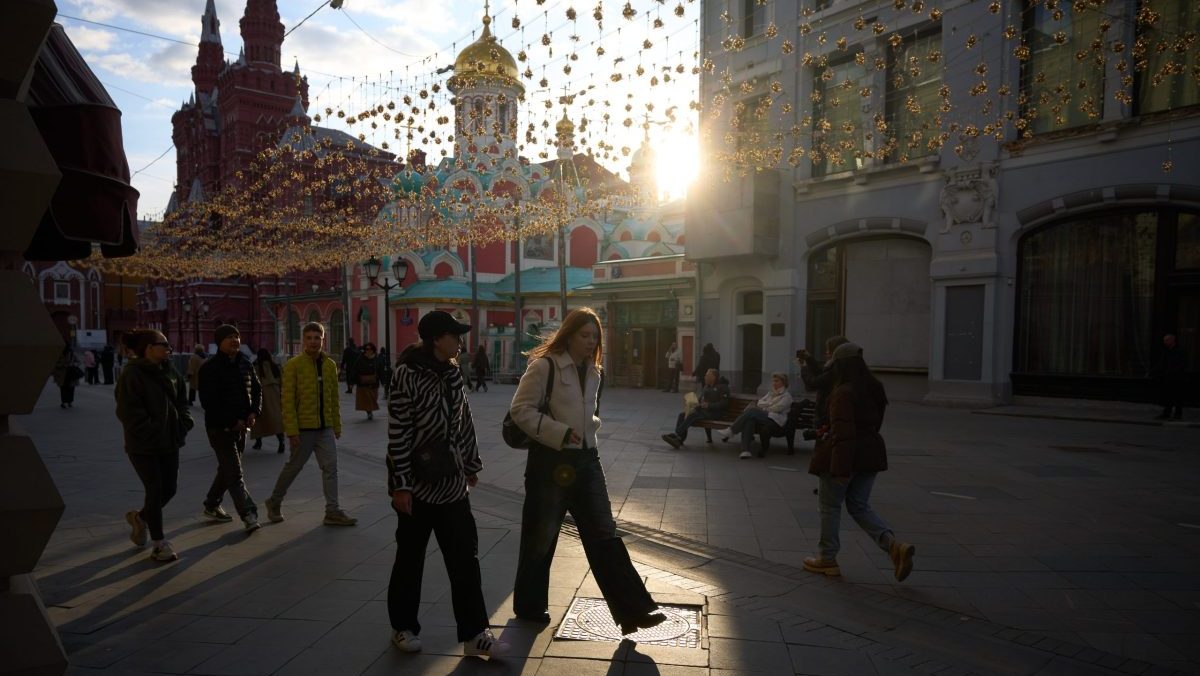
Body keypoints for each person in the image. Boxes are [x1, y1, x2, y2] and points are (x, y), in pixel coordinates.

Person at [509, 307, 666, 636]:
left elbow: (591, 411)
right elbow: (520, 410)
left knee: (604, 535)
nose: (590, 341)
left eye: (595, 336)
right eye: (584, 335)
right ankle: (529, 605)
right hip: (550, 463)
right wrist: (560, 433)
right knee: (540, 538)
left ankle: (635, 610)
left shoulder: (596, 372)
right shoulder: (544, 366)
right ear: (569, 334)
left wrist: (588, 431)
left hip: (586, 462)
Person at [386, 311, 508, 659]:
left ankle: (475, 634)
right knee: (410, 559)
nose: (460, 341)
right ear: (437, 338)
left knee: (465, 559)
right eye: (455, 335)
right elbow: (398, 432)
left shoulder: (454, 374)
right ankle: (403, 626)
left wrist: (470, 464)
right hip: (418, 486)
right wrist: (401, 485)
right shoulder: (406, 374)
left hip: (453, 485)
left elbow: (464, 422)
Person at [803, 342, 914, 582]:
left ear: (841, 366)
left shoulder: (843, 391)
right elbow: (872, 425)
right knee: (858, 505)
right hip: (870, 454)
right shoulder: (875, 388)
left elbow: (844, 434)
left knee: (830, 507)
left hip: (847, 456)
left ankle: (827, 558)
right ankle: (893, 545)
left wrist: (841, 467)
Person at [264, 322, 357, 526]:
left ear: (323, 340)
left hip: (324, 428)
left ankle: (332, 511)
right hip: (303, 429)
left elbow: (333, 398)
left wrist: (336, 426)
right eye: (309, 338)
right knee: (294, 467)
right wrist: (292, 431)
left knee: (330, 467)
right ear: (303, 340)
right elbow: (287, 402)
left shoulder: (330, 365)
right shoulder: (293, 366)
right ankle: (274, 501)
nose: (314, 342)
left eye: (317, 338)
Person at [115, 330, 193, 562]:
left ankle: (140, 518)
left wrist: (184, 422)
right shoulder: (132, 374)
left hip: (170, 441)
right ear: (149, 348)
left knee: (170, 488)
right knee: (155, 488)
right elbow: (128, 412)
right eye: (164, 344)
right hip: (143, 446)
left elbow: (181, 399)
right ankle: (159, 544)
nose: (169, 349)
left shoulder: (169, 369)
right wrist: (151, 430)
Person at [197, 325, 262, 532]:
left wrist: (254, 412)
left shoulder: (245, 363)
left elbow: (257, 389)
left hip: (242, 428)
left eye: (237, 336)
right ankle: (249, 513)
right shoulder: (210, 368)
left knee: (227, 468)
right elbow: (209, 402)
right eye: (229, 337)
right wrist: (232, 421)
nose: (234, 340)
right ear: (219, 342)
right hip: (220, 429)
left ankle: (212, 504)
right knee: (234, 472)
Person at [721, 373, 793, 459]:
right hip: (765, 415)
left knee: (752, 411)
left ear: (783, 382)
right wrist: (768, 404)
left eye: (777, 381)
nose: (774, 383)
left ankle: (732, 430)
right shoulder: (771, 393)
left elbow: (777, 409)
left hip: (776, 420)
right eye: (773, 381)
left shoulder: (787, 396)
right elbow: (759, 402)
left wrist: (765, 406)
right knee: (749, 420)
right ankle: (745, 450)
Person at [662, 368, 730, 449]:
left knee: (692, 415)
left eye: (707, 375)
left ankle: (677, 435)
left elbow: (724, 404)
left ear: (713, 377)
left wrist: (709, 405)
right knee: (682, 415)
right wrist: (693, 404)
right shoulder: (706, 387)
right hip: (703, 411)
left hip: (715, 413)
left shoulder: (723, 387)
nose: (705, 377)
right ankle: (679, 439)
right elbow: (700, 400)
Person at [798, 336, 852, 430]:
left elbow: (814, 382)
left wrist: (804, 368)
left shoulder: (836, 369)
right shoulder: (838, 366)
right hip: (827, 412)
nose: (826, 353)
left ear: (836, 351)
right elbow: (821, 373)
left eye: (829, 350)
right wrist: (809, 358)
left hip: (826, 414)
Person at [251, 348, 286, 453]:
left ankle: (258, 442)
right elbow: (283, 382)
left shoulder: (256, 367)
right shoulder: (276, 367)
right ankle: (281, 442)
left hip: (260, 397)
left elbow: (252, 384)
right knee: (276, 420)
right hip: (275, 396)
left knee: (259, 421)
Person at [1150, 333, 1187, 420]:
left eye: (1166, 340)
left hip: (1178, 378)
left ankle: (1178, 415)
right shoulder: (1166, 351)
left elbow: (1182, 364)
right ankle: (1166, 413)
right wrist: (1153, 371)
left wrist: (1175, 372)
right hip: (1167, 378)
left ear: (1172, 340)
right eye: (1164, 341)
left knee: (1178, 397)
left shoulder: (1180, 351)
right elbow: (1161, 363)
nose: (1165, 342)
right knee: (1168, 397)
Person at [352, 342, 383, 420]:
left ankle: (370, 410)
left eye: (369, 349)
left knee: (373, 398)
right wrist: (353, 381)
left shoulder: (376, 359)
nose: (368, 351)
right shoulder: (360, 359)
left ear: (373, 350)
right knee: (367, 400)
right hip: (363, 384)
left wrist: (383, 381)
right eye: (366, 349)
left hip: (374, 383)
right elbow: (355, 370)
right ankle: (369, 412)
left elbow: (380, 370)